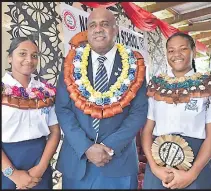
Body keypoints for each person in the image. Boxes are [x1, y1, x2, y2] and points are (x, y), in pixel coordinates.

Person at [55, 7, 148, 189]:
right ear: (87, 30)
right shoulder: (71, 64)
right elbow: (63, 109)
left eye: (105, 24)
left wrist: (110, 146)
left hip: (118, 162)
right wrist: (86, 147)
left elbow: (139, 112)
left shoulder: (134, 66)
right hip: (77, 160)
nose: (98, 29)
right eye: (93, 25)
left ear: (116, 30)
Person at [141, 32, 211, 189]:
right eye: (171, 50)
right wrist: (154, 167)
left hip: (196, 161)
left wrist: (191, 174)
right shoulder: (156, 85)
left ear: (193, 51)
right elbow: (147, 131)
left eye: (183, 49)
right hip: (159, 163)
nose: (176, 55)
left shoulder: (209, 84)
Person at [1, 37, 61, 189]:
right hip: (6, 162)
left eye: (34, 55)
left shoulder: (45, 91)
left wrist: (41, 168)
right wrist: (12, 174)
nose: (29, 60)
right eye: (22, 53)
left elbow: (55, 132)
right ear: (10, 58)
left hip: (40, 159)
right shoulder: (2, 90)